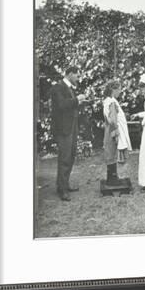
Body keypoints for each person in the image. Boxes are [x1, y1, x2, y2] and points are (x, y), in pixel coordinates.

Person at [50, 67, 86, 201]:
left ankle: (65, 184)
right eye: (77, 75)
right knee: (64, 157)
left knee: (71, 156)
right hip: (64, 129)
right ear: (70, 74)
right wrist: (77, 99)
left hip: (71, 128)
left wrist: (80, 102)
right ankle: (62, 189)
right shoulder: (58, 88)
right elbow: (62, 105)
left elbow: (70, 106)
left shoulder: (70, 88)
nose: (78, 78)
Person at [102, 80, 133, 187]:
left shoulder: (108, 100)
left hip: (110, 130)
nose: (120, 91)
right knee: (112, 152)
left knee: (111, 152)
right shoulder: (111, 102)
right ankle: (112, 178)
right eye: (119, 89)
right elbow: (113, 120)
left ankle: (113, 177)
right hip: (112, 130)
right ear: (113, 90)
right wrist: (116, 132)